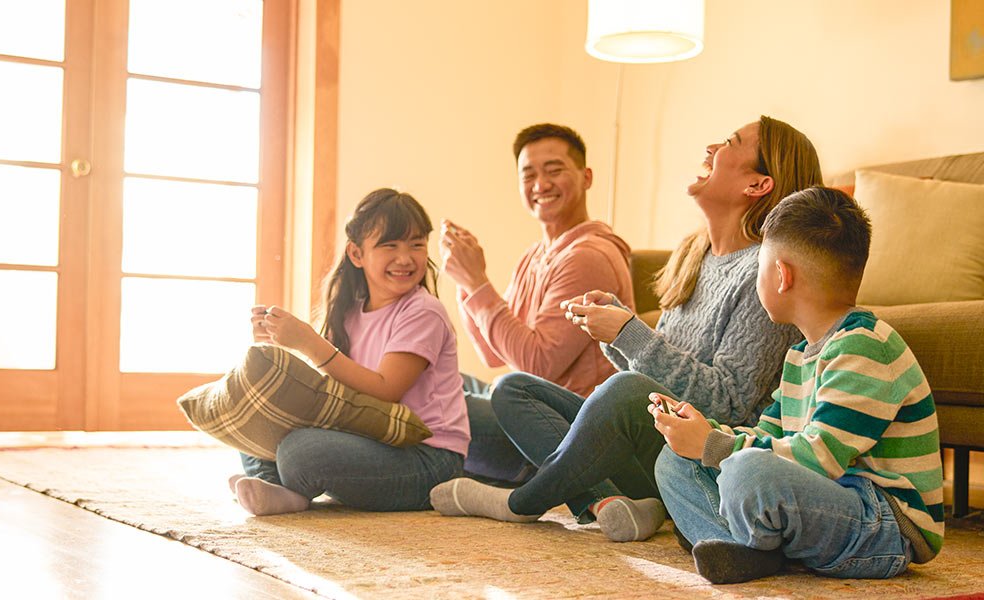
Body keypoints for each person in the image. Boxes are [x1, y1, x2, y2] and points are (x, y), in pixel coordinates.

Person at [430, 116, 819, 543]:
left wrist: (629, 332)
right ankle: (610, 502)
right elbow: (656, 368)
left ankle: (520, 503)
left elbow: (729, 403)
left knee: (625, 389)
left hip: (696, 460)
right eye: (529, 173)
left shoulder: (761, 275)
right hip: (647, 441)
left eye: (729, 142)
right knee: (512, 388)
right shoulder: (695, 255)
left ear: (758, 185)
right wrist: (613, 333)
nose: (711, 148)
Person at [653, 187, 943, 584]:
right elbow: (768, 434)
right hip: (826, 505)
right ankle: (742, 547)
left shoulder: (865, 347)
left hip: (884, 524)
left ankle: (737, 540)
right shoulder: (799, 356)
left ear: (781, 275)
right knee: (674, 461)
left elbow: (819, 457)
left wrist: (714, 446)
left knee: (748, 472)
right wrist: (704, 432)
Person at [230, 188, 469, 516]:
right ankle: (276, 488)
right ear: (357, 254)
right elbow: (326, 385)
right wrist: (276, 343)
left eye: (416, 244)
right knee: (258, 415)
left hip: (429, 461)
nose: (405, 258)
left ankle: (286, 487)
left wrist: (310, 343)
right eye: (390, 246)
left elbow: (387, 390)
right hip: (373, 440)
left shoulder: (423, 311)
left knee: (302, 452)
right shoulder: (349, 312)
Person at [442, 123, 634, 482]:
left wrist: (478, 282)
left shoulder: (588, 257)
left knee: (433, 404)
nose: (540, 185)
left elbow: (538, 363)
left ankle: (525, 475)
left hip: (561, 424)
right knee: (433, 382)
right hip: (526, 403)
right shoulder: (536, 255)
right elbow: (495, 354)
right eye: (528, 174)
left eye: (554, 170)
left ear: (586, 176)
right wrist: (466, 286)